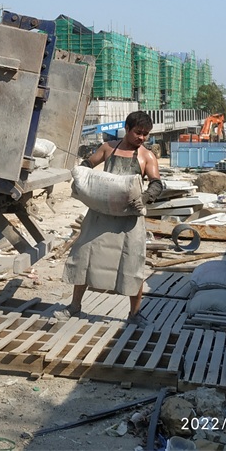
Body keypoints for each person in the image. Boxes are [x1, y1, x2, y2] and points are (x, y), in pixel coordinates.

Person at [55, 111, 163, 328]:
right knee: (84, 258)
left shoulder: (147, 156)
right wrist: (81, 177)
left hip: (129, 221)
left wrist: (145, 198)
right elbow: (87, 164)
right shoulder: (107, 148)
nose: (142, 138)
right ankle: (75, 306)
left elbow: (156, 183)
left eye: (146, 134)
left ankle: (134, 314)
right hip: (100, 216)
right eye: (138, 132)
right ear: (127, 128)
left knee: (133, 265)